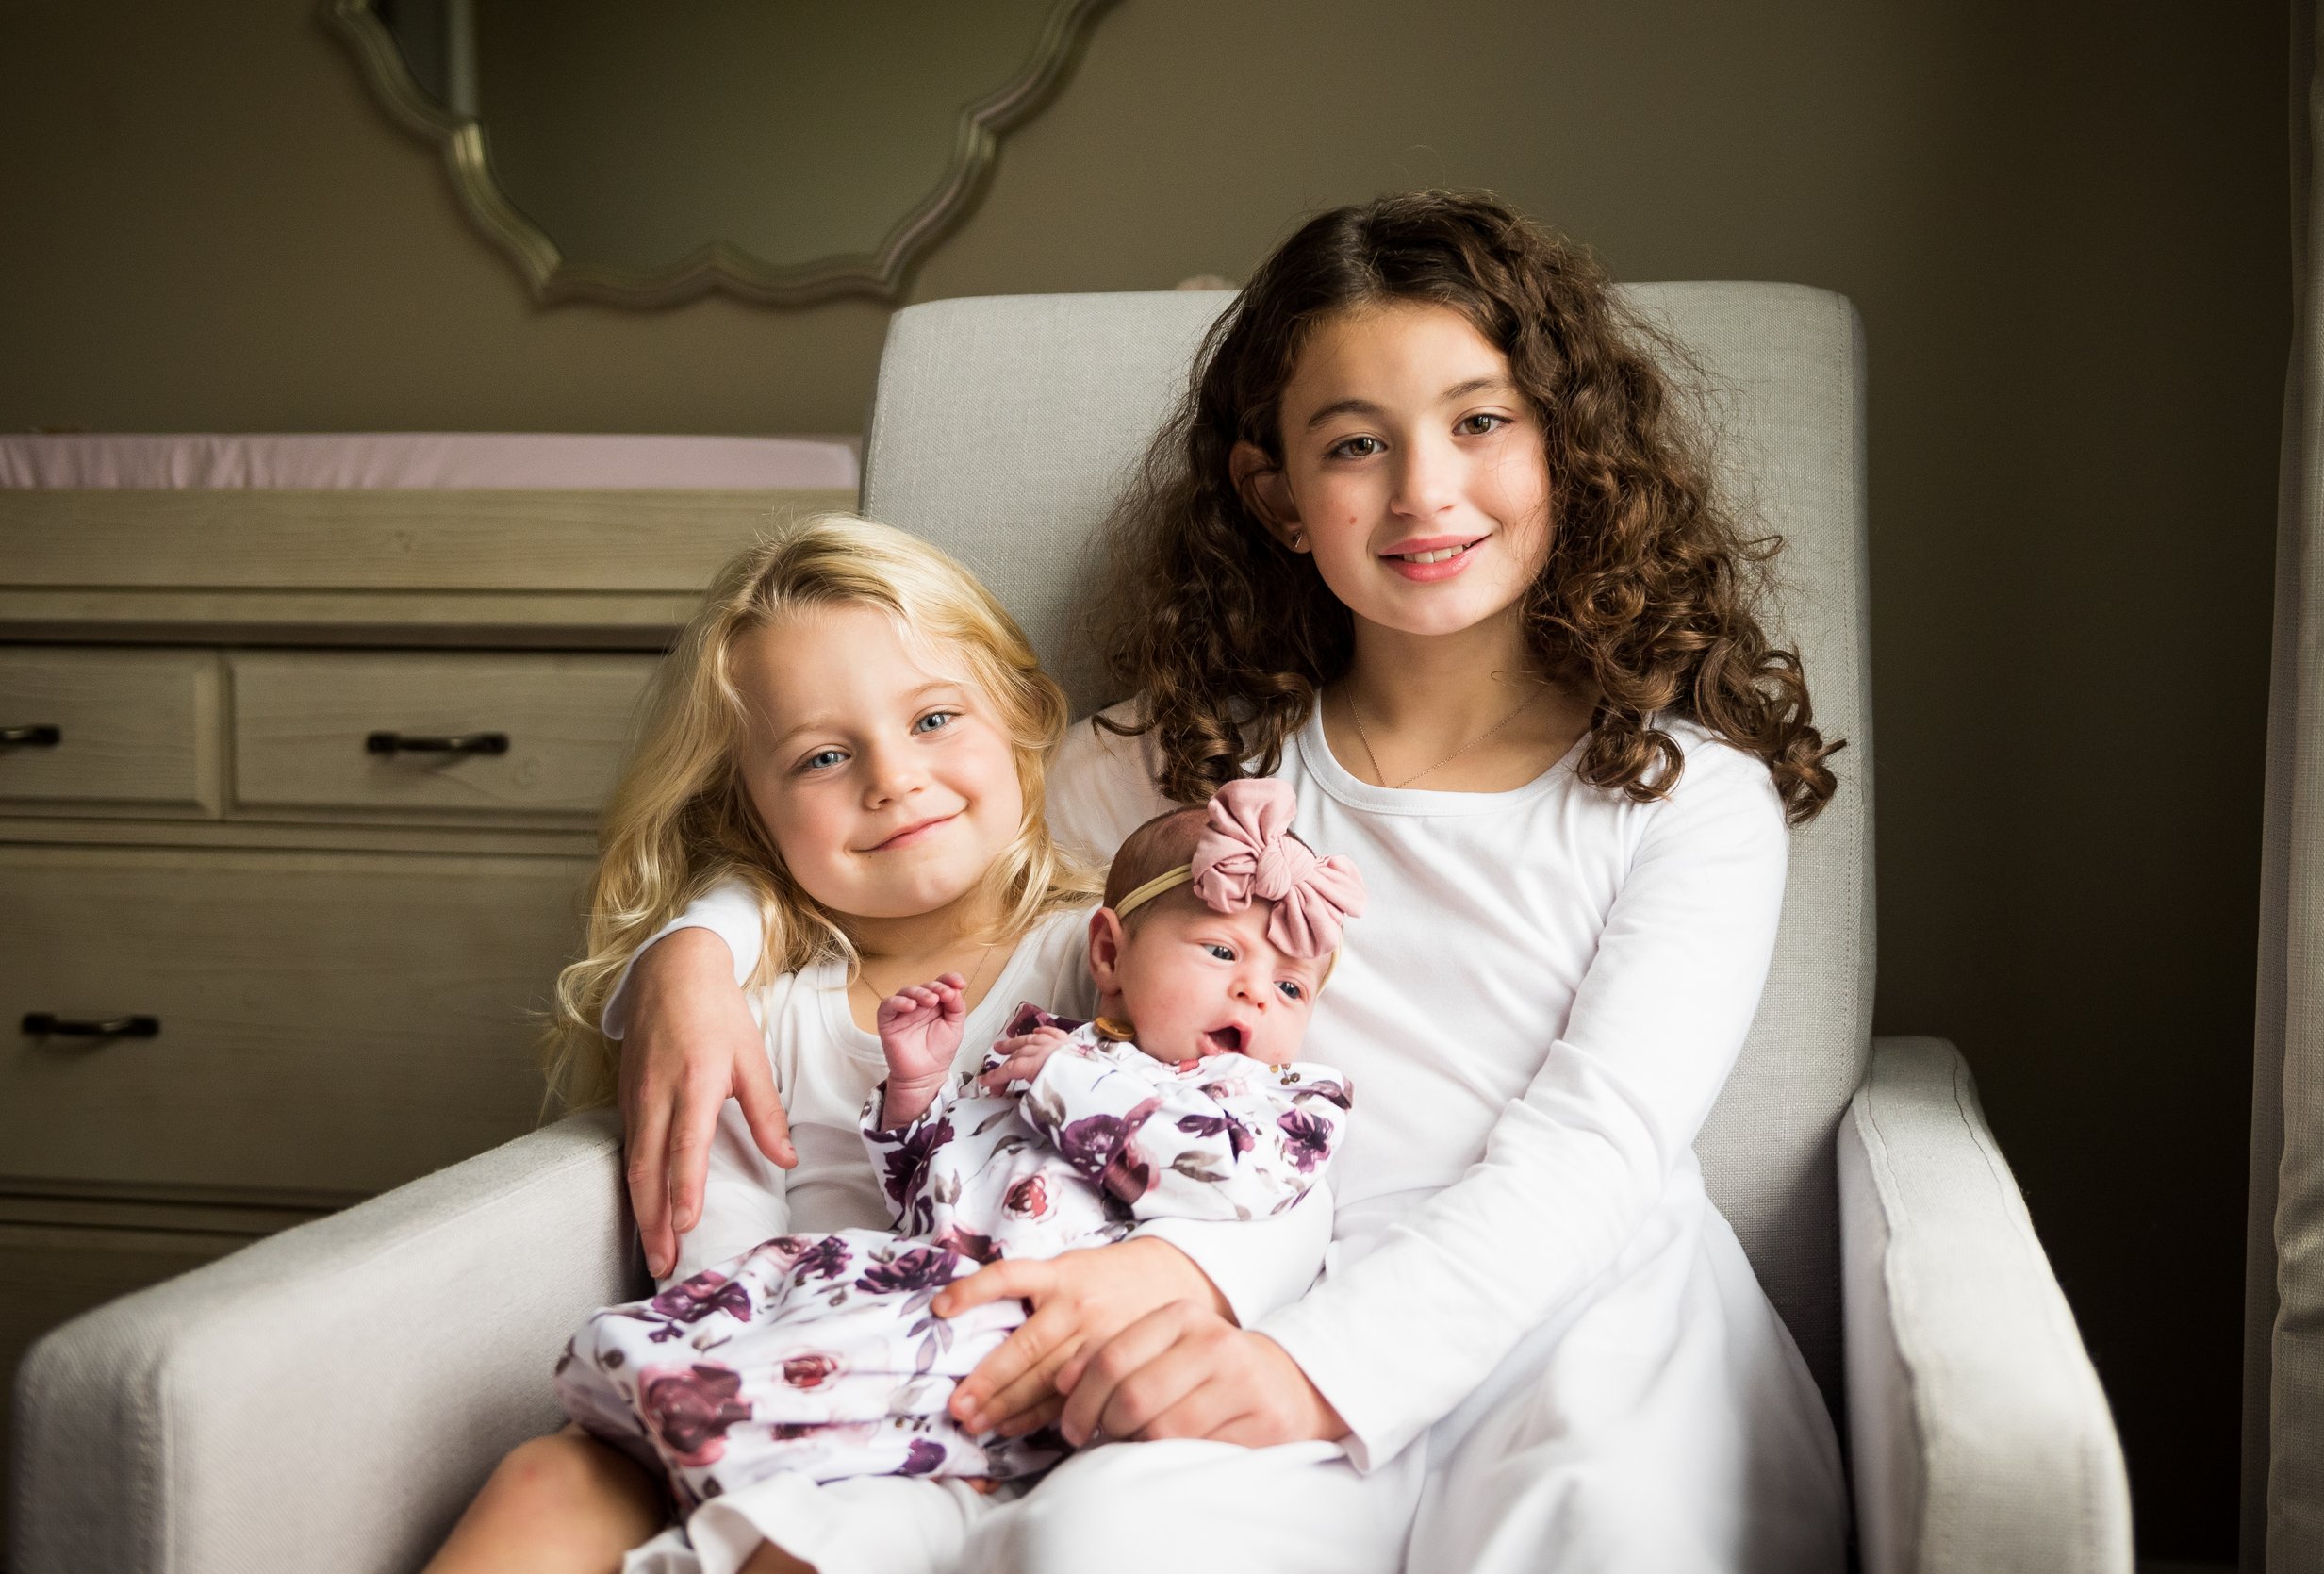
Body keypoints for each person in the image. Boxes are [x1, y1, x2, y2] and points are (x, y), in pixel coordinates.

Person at [618, 190, 1852, 1573]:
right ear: (1276, 495)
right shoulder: (1185, 757)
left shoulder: (1686, 798)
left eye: (1480, 421)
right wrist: (695, 949)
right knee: (1093, 1545)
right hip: (1250, 1294)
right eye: (1355, 445)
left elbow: (1596, 1150)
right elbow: (916, 833)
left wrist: (1319, 1370)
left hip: (1582, 1320)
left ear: (1566, 441)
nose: (1423, 490)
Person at [424, 517, 1329, 1574]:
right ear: (750, 809)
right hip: (791, 1381)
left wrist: (1171, 1280)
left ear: (1020, 717)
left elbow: (1274, 1165)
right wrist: (700, 942)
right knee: (545, 1479)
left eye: (935, 717)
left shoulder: (1110, 962)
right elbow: (713, 1254)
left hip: (990, 1412)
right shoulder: (754, 1008)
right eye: (822, 756)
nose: (893, 779)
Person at [555, 779, 1360, 1554]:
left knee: (860, 1353)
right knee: (796, 1277)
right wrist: (915, 1097)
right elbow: (933, 1193)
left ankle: (713, 1411)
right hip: (925, 1275)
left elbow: (1222, 1171)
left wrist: (1067, 1080)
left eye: (1291, 987)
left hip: (1038, 1335)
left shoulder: (1284, 1101)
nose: (1256, 994)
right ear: (1110, 952)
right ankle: (669, 1375)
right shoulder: (1046, 1047)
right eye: (1222, 951)